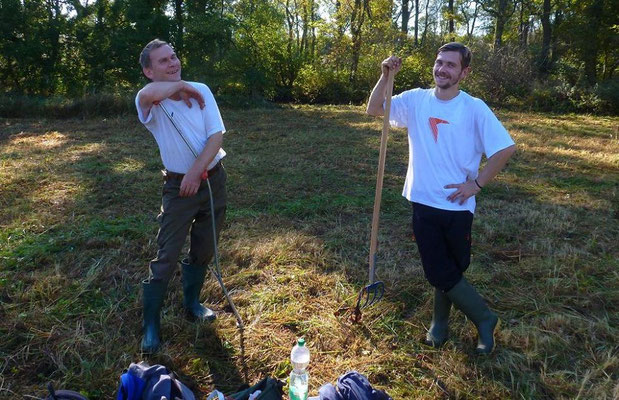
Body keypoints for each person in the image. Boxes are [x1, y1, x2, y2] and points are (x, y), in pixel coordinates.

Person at [366, 42, 516, 354]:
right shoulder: (416, 100)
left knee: (452, 268)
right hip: (423, 200)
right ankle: (484, 319)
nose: (442, 69)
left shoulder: (474, 108)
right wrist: (384, 76)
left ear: (464, 72)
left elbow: (505, 149)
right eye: (439, 62)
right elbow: (375, 109)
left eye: (450, 64)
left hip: (458, 206)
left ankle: (441, 324)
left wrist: (476, 184)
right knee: (438, 270)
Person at [135, 39, 228, 353]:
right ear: (149, 71)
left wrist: (196, 171)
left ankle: (192, 303)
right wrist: (178, 89)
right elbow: (145, 94)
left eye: (173, 57)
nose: (173, 63)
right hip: (177, 189)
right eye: (163, 61)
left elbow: (217, 136)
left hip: (213, 180)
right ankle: (151, 324)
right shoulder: (151, 102)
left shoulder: (200, 88)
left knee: (204, 244)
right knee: (167, 253)